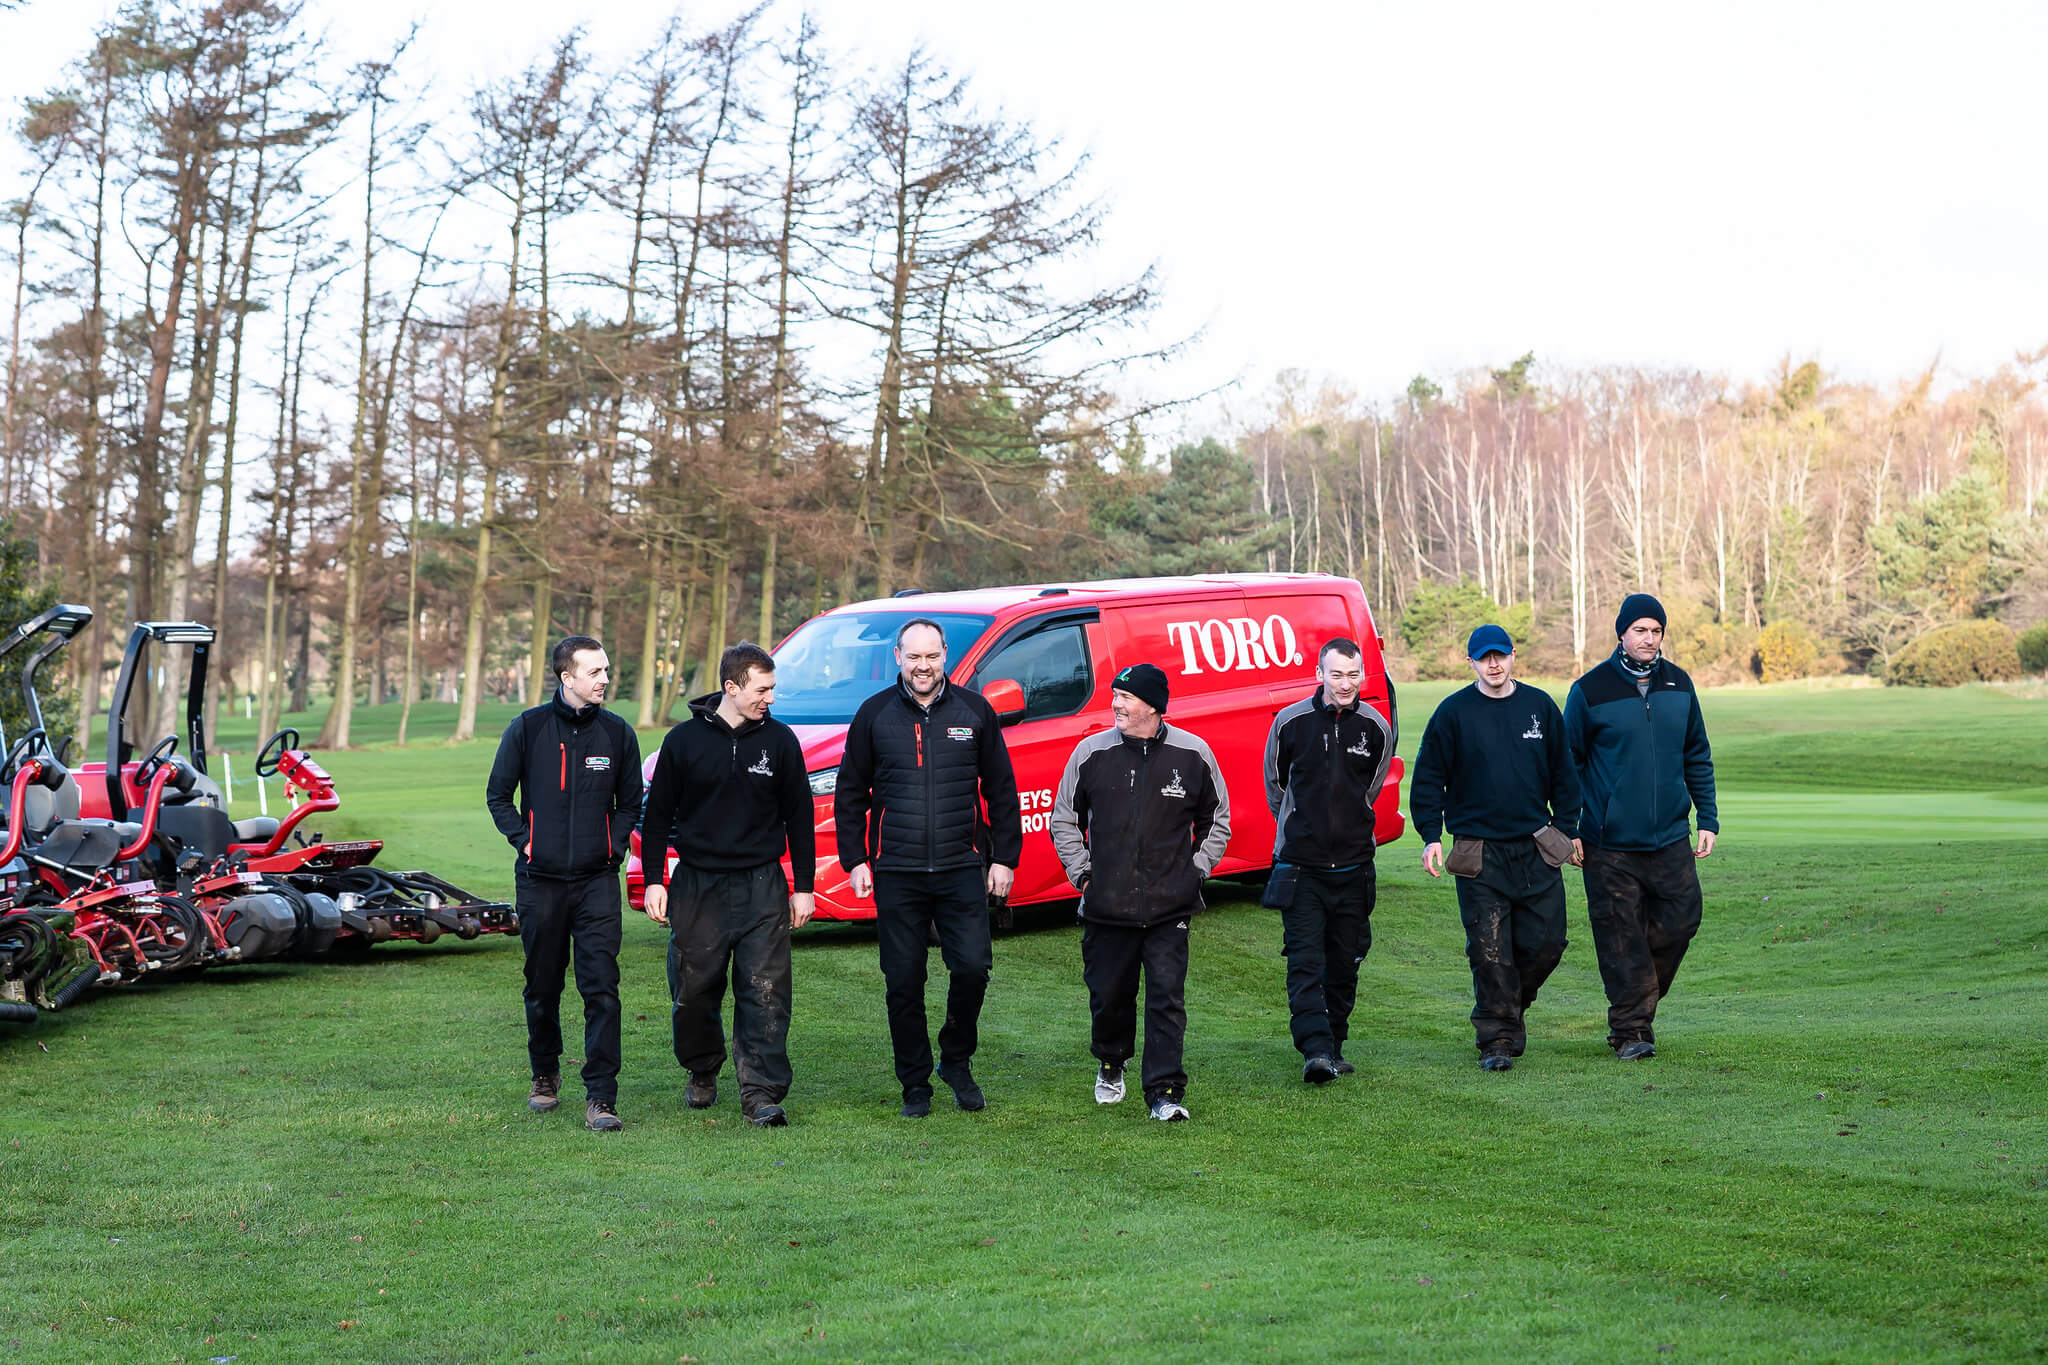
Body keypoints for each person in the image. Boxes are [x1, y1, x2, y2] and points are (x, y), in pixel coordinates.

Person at [833, 618, 1022, 1118]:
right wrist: (854, 859)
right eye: (914, 657)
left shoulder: (975, 711)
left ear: (945, 655)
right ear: (898, 657)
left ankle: (955, 1060)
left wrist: (1004, 857)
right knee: (903, 981)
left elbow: (1002, 791)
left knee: (973, 968)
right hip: (897, 870)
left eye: (932, 656)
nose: (923, 666)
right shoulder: (873, 715)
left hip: (963, 866)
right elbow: (850, 794)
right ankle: (915, 1083)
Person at [639, 642, 816, 1128]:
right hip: (698, 885)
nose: (770, 699)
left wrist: (803, 885)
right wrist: (655, 879)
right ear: (732, 687)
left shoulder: (780, 741)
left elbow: (800, 817)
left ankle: (761, 1093)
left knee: (766, 991)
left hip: (763, 884)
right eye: (762, 689)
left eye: (773, 688)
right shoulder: (683, 742)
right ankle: (701, 1068)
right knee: (694, 988)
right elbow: (656, 819)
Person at [1049, 663, 1230, 1122]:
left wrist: (1195, 871)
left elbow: (1218, 821)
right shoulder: (1091, 753)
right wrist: (1084, 874)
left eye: (1125, 698)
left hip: (1172, 907)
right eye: (1115, 696)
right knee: (1110, 998)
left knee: (1167, 999)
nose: (1116, 705)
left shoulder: (1193, 754)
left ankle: (1164, 1092)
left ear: (1152, 705)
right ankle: (1111, 1062)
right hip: (1106, 906)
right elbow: (1064, 818)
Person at [485, 635, 643, 1130]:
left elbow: (631, 805)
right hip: (540, 882)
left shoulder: (618, 734)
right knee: (543, 984)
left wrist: (611, 849)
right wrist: (525, 841)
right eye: (594, 672)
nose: (604, 680)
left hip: (596, 883)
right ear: (566, 677)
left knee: (601, 988)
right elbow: (498, 796)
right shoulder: (528, 729)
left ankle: (602, 1095)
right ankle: (545, 1073)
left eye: (606, 670)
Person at [1410, 625, 1582, 1071]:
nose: (1493, 665)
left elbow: (1565, 776)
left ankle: (1508, 1006)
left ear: (1513, 656)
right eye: (1484, 658)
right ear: (1470, 662)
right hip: (1477, 851)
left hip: (1536, 846)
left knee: (1548, 943)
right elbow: (1428, 780)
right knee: (1489, 950)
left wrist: (1566, 830)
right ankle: (1497, 1039)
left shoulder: (1540, 707)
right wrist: (1431, 835)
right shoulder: (1453, 713)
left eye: (1500, 656)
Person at [1564, 593, 1719, 1061]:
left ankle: (1640, 998)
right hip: (1607, 842)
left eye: (1655, 631)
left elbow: (1697, 754)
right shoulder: (1590, 690)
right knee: (1619, 934)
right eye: (1640, 631)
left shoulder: (1680, 685)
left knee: (1683, 918)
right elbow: (1567, 763)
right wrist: (1569, 826)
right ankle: (1631, 1031)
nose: (1649, 639)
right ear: (1622, 634)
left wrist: (1706, 817)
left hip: (1671, 834)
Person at [1261, 637, 1395, 1084]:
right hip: (1301, 868)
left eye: (1353, 674)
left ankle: (1335, 1044)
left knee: (1344, 963)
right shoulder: (1289, 722)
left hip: (1355, 868)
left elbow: (1371, 788)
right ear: (1319, 674)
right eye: (1336, 674)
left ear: (1363, 675)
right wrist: (1303, 824)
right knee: (1305, 962)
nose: (1345, 683)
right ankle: (1315, 1051)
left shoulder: (1376, 726)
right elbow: (1276, 786)